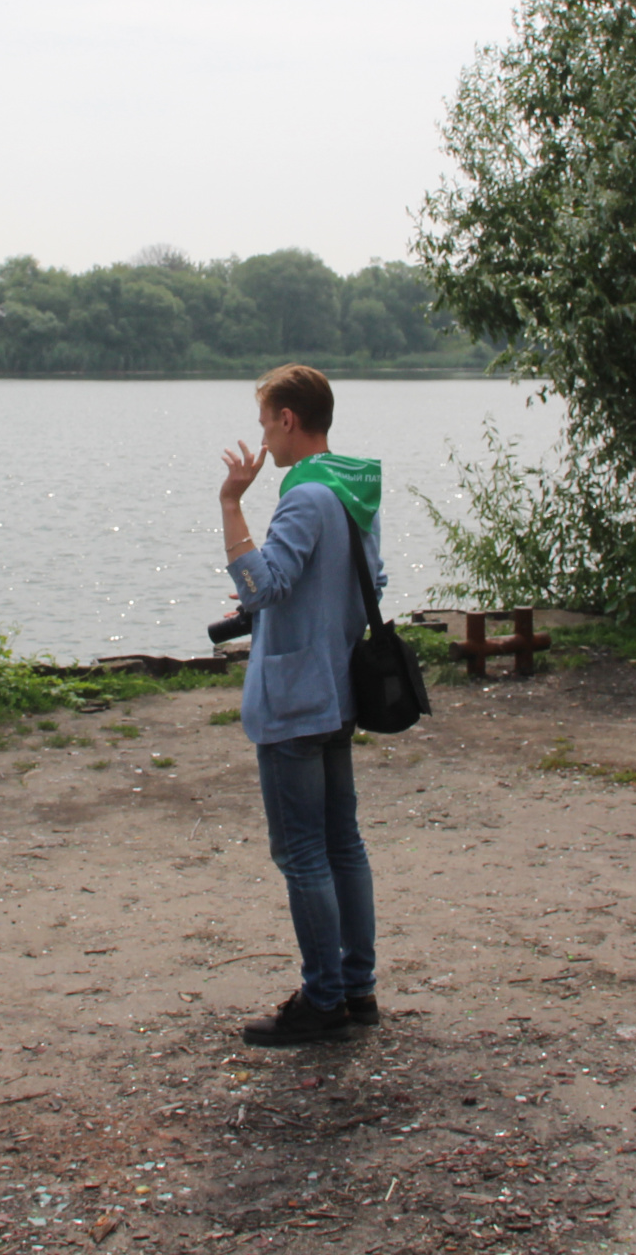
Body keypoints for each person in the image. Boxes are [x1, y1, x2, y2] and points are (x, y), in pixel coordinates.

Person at [217, 364, 382, 1047]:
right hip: (339, 689)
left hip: (293, 699)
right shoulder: (352, 489)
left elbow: (264, 587)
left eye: (265, 423)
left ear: (288, 419)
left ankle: (323, 1000)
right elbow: (369, 581)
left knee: (303, 851)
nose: (263, 439)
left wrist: (232, 504)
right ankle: (357, 987)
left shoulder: (304, 497)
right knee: (343, 842)